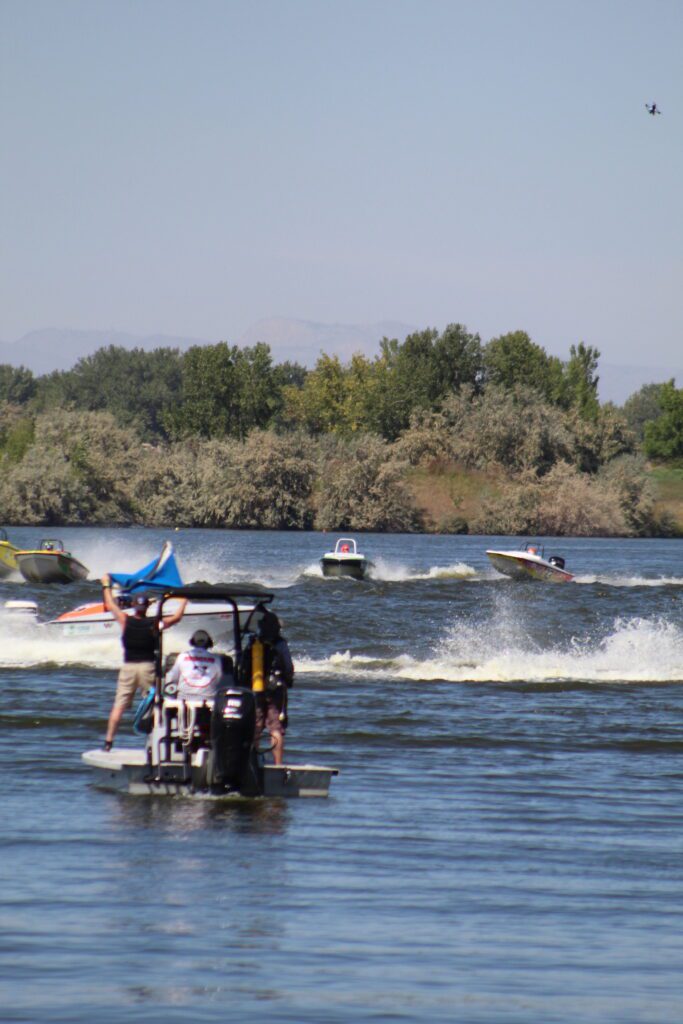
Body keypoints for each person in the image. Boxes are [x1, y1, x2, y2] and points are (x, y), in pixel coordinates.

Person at [101, 574, 187, 750]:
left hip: (128, 668)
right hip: (148, 668)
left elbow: (110, 605)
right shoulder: (154, 624)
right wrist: (184, 601)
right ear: (147, 607)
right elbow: (177, 618)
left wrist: (106, 586)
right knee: (155, 705)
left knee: (119, 707)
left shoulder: (125, 621)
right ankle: (154, 743)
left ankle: (108, 742)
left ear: (133, 606)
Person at [239, 608, 294, 766]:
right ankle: (277, 764)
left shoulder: (254, 642)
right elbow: (288, 666)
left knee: (255, 726)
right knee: (275, 728)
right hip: (275, 689)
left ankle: (252, 762)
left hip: (255, 689)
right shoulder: (280, 643)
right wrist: (288, 681)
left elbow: (244, 665)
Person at [165, 629, 226, 701]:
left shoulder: (182, 656)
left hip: (183, 699)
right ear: (209, 643)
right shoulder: (216, 659)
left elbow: (172, 677)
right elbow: (219, 679)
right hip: (208, 699)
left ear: (192, 642)